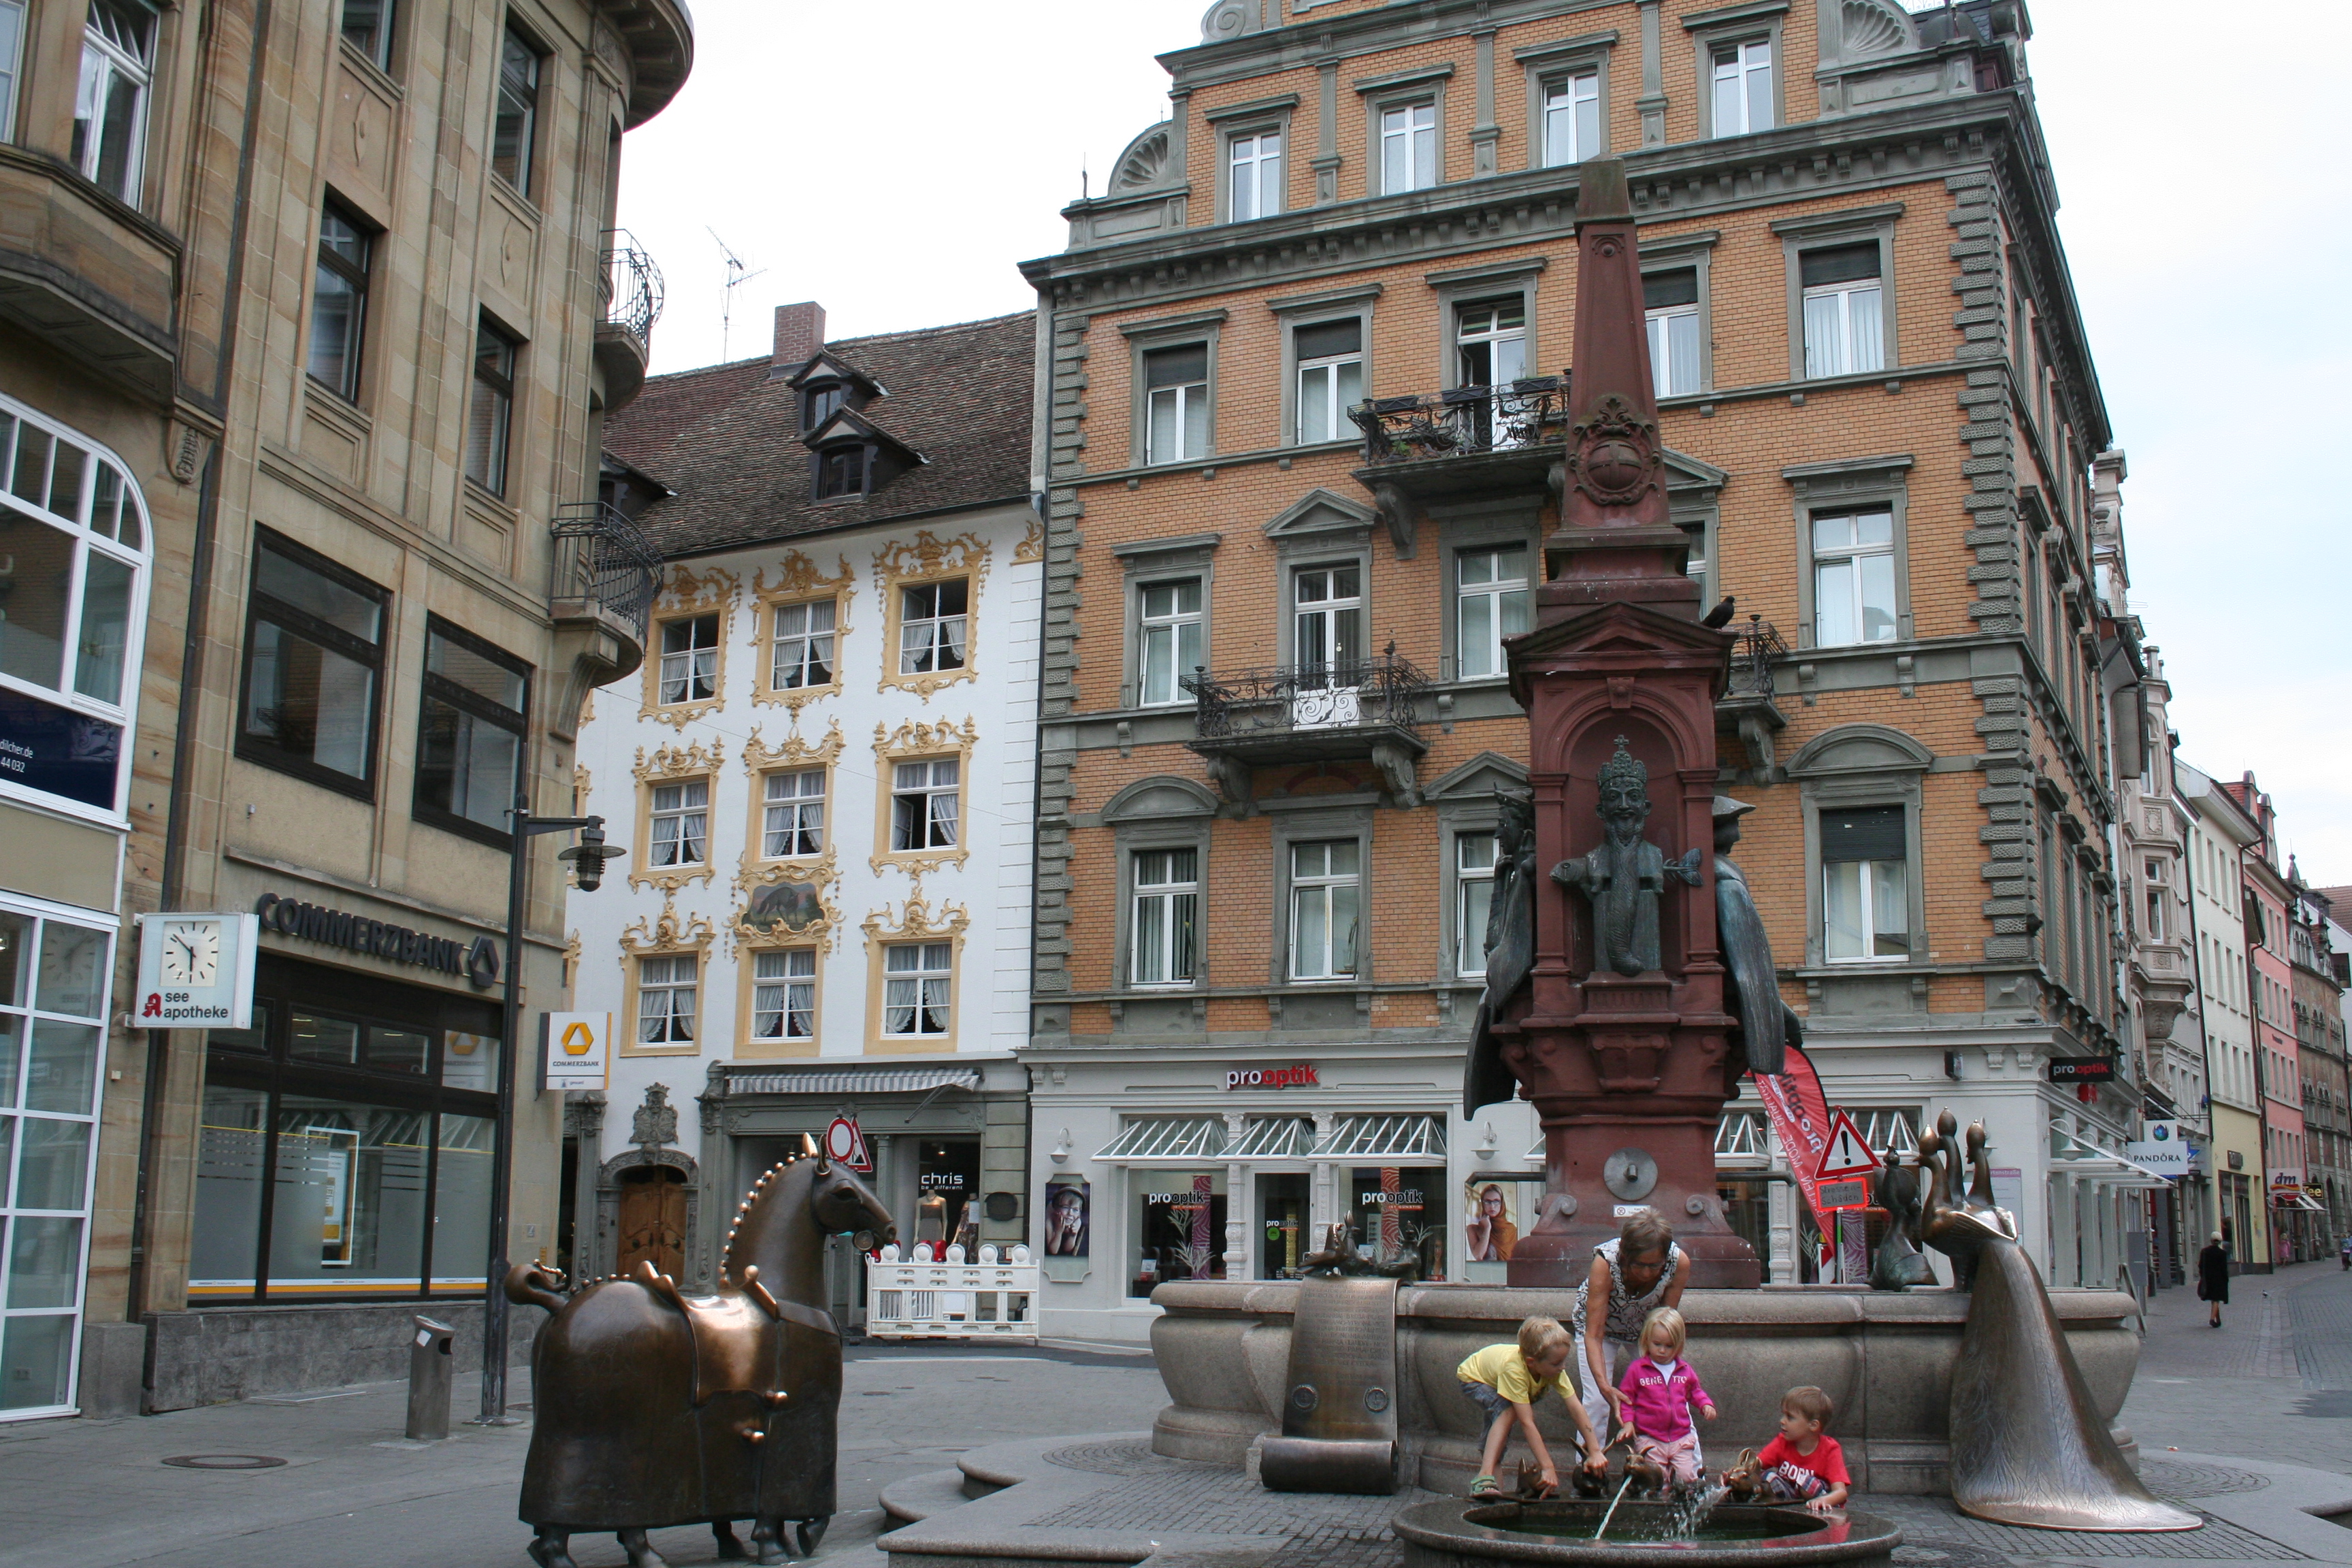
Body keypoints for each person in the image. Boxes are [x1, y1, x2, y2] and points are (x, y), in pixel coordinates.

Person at [1456, 1316, 1607, 1499]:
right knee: (1508, 1411)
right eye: (1556, 1363)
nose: (1563, 1367)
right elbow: (1527, 1422)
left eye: (1563, 1361)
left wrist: (1594, 1450)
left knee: (1498, 1436)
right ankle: (1483, 1477)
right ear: (1531, 1362)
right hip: (1475, 1378)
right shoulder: (1514, 1369)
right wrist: (1548, 1468)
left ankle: (1494, 1492)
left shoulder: (1554, 1370)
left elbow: (1575, 1406)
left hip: (1499, 1377)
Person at [1571, 1211, 1689, 1422]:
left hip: (1646, 1329)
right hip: (1601, 1329)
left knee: (1668, 1392)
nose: (1646, 1273)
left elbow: (1665, 1323)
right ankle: (1591, 1455)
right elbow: (1594, 1335)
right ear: (1625, 1255)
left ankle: (1678, 1452)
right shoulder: (1605, 1262)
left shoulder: (1678, 1263)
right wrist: (1605, 1387)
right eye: (1639, 1264)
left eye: (1654, 1266)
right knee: (1597, 1401)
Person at [1616, 1307, 1714, 1488]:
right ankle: (1661, 1508)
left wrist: (1706, 1405)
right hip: (1650, 1439)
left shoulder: (1684, 1370)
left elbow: (1695, 1392)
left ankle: (1683, 1510)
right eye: (1657, 1344)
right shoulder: (1638, 1369)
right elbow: (1626, 1399)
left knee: (1687, 1479)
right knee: (1657, 1479)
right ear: (1647, 1340)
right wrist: (1628, 1423)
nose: (1662, 1350)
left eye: (1669, 1346)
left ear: (1678, 1345)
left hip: (1680, 1437)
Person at [1730, 1386, 1850, 1514]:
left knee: (1806, 1482)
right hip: (1792, 1499)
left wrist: (1824, 1501)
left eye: (1790, 1417)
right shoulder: (1783, 1441)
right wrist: (1736, 1473)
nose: (1782, 1421)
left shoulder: (1830, 1449)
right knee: (1767, 1477)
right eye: (1783, 1415)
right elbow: (1756, 1465)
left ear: (1813, 1425)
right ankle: (1779, 1508)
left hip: (1821, 1504)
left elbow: (1841, 1492)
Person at [1466, 1183, 1518, 1263]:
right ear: (1483, 1204)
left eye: (1496, 1201)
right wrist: (1487, 1229)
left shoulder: (1511, 1230)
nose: (1492, 1206)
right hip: (1485, 1274)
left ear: (1502, 1204)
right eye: (1488, 1202)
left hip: (1507, 1274)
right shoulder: (1474, 1229)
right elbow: (1479, 1255)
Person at [2196, 1232, 2230, 1327]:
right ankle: (2212, 1319)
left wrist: (2203, 1276)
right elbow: (2224, 1268)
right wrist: (2226, 1279)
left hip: (2208, 1279)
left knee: (2214, 1299)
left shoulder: (2205, 1252)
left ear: (2211, 1240)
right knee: (2216, 1299)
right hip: (2219, 1279)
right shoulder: (2222, 1253)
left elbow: (2201, 1266)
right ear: (2220, 1242)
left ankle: (2218, 1320)